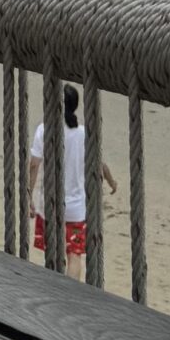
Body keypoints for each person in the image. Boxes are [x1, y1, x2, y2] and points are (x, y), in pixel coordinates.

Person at [26, 84, 118, 258]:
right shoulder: (84, 133)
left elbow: (33, 165)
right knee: (74, 254)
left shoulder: (44, 130)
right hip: (76, 207)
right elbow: (100, 163)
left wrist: (29, 196)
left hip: (49, 205)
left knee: (51, 253)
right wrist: (111, 181)